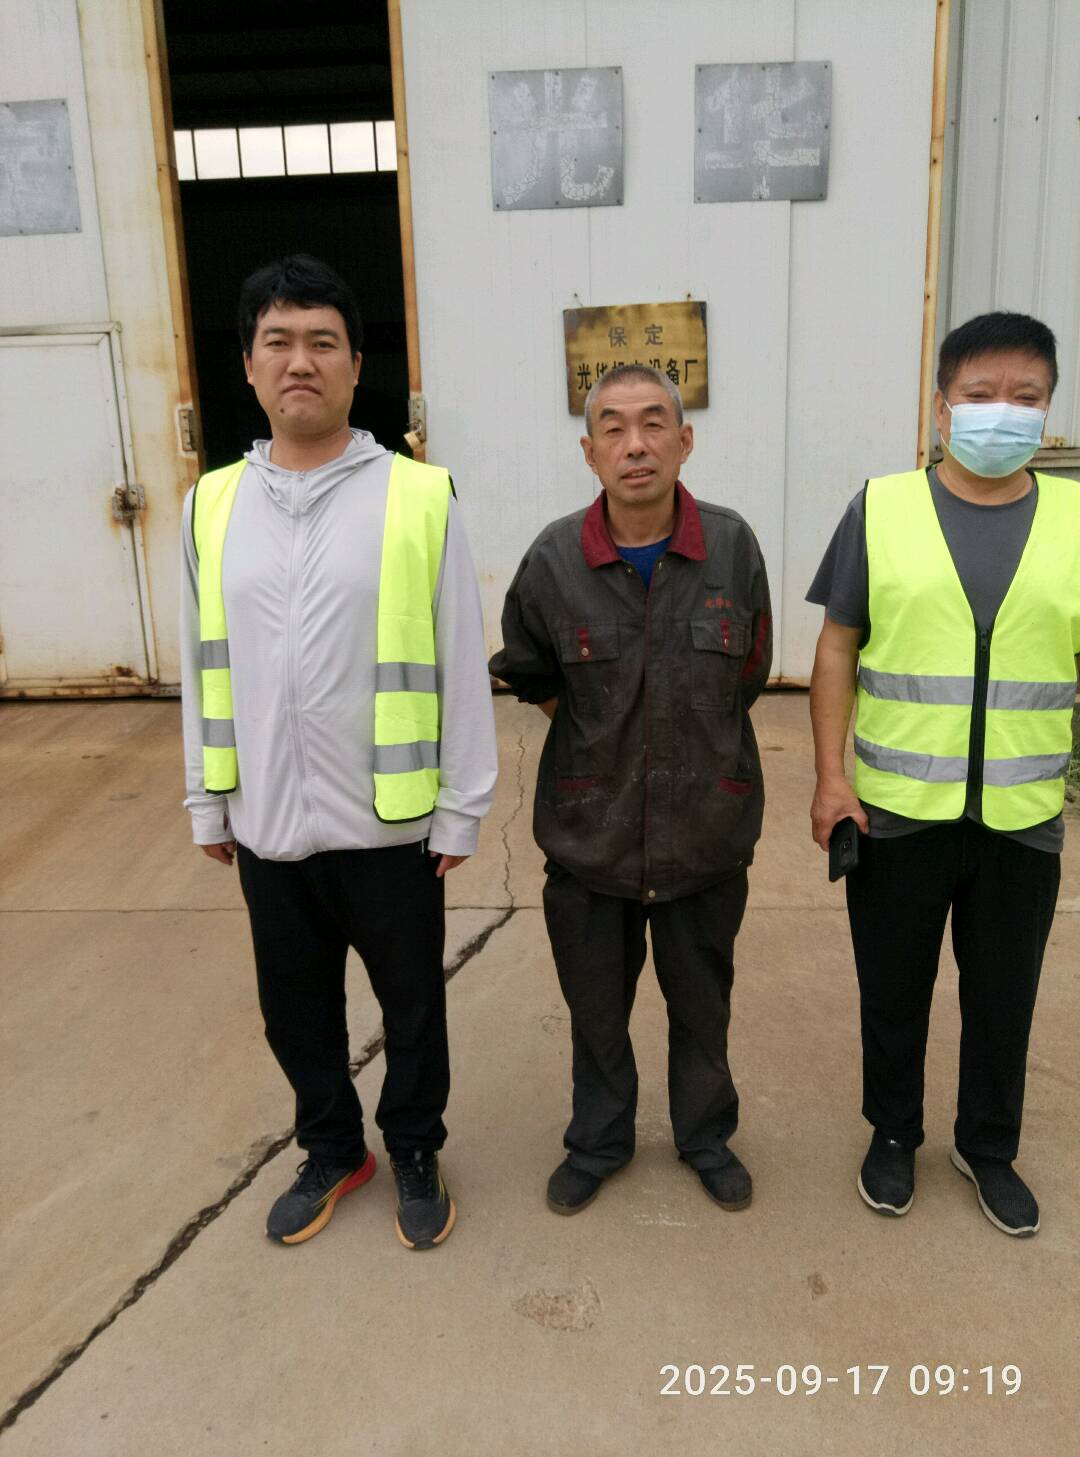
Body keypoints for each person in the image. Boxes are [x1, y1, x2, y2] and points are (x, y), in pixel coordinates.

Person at [179, 255, 497, 1250]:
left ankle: (413, 1145)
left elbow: (458, 655)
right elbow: (200, 658)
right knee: (295, 1009)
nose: (300, 361)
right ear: (248, 366)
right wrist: (206, 798)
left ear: (358, 365)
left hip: (389, 822)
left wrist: (462, 805)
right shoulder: (211, 503)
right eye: (277, 341)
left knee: (413, 1008)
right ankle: (332, 1147)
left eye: (323, 341)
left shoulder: (417, 495)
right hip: (268, 818)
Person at [807, 311, 1079, 1237]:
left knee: (1004, 997)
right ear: (940, 407)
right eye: (980, 393)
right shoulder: (881, 507)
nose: (1002, 410)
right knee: (893, 990)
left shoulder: (1076, 520)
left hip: (1023, 815)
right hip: (897, 811)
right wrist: (831, 778)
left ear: (1049, 409)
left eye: (1025, 396)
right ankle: (893, 1133)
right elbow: (837, 646)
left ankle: (987, 1146)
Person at [490, 363, 772, 1215]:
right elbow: (530, 669)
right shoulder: (553, 560)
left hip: (705, 836)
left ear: (685, 442)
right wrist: (604, 738)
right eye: (612, 427)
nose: (635, 444)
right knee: (597, 1015)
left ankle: (706, 1138)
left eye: (654, 424)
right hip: (591, 841)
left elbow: (750, 670)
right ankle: (599, 1141)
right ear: (590, 452)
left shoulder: (732, 547)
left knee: (703, 1008)